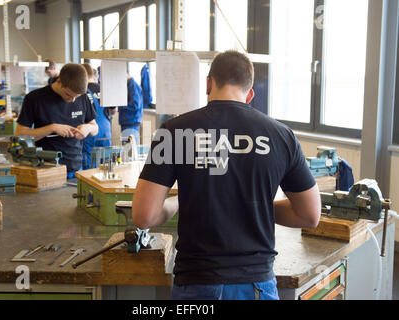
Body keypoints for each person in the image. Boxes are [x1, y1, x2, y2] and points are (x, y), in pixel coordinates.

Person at [132, 51, 321, 300]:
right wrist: (253, 207)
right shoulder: (282, 135)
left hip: (197, 282)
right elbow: (309, 215)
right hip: (256, 284)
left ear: (209, 83)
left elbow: (144, 216)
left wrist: (179, 202)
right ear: (250, 93)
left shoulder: (174, 131)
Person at [15, 63, 98, 179]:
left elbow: (95, 127)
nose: (73, 100)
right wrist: (51, 128)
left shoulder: (84, 97)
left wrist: (88, 128)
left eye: (77, 96)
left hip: (76, 169)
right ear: (59, 81)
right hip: (47, 170)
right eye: (68, 95)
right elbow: (20, 135)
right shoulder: (34, 99)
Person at [81, 63, 116, 169]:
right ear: (94, 74)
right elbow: (114, 110)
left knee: (89, 165)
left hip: (90, 132)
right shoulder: (104, 89)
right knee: (106, 164)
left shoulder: (82, 91)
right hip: (105, 131)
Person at [118, 76, 143, 144]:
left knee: (130, 150)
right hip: (127, 122)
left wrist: (120, 107)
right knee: (127, 149)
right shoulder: (128, 85)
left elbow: (135, 105)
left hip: (131, 122)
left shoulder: (132, 85)